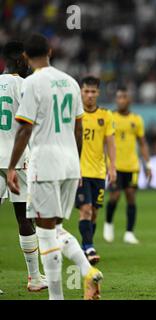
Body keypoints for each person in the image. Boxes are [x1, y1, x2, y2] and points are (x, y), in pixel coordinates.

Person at [7, 33, 103, 300]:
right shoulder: (71, 82)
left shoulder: (32, 83)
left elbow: (25, 129)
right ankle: (87, 270)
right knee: (57, 229)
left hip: (45, 163)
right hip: (71, 164)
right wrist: (79, 165)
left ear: (25, 56)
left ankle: (57, 296)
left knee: (45, 232)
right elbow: (79, 127)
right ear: (50, 50)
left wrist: (13, 166)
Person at [0, 40, 47, 292]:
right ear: (19, 60)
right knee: (25, 217)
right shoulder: (26, 86)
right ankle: (35, 278)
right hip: (18, 160)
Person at [76, 76, 116, 264]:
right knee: (84, 210)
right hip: (79, 172)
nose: (90, 95)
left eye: (93, 92)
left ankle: (85, 246)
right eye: (86, 91)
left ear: (98, 93)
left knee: (93, 212)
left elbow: (110, 143)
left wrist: (112, 167)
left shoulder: (106, 116)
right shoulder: (75, 115)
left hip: (99, 172)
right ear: (81, 92)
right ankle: (89, 248)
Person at [104, 86, 151, 244]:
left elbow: (142, 143)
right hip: (115, 165)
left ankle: (129, 232)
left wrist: (148, 164)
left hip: (132, 166)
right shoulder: (110, 117)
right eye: (118, 97)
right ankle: (108, 223)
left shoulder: (136, 119)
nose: (121, 100)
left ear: (129, 100)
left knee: (131, 197)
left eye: (124, 97)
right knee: (115, 196)